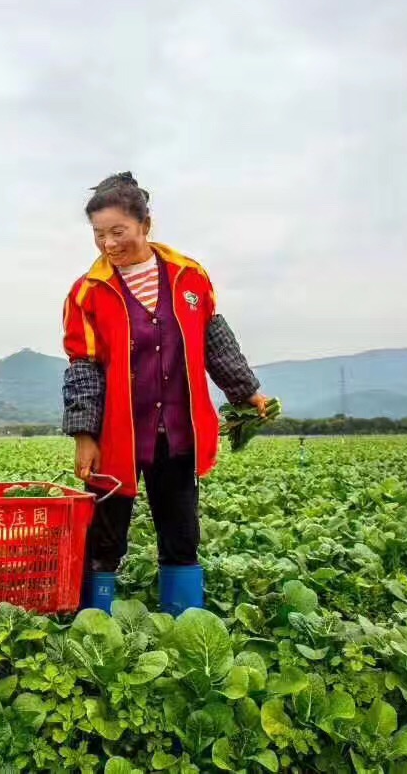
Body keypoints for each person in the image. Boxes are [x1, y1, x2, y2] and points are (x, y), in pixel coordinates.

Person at [61, 172, 269, 616]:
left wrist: (247, 391)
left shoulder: (189, 277)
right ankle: (95, 620)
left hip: (179, 429)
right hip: (118, 432)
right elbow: (83, 368)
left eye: (119, 232)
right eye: (99, 235)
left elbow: (214, 339)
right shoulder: (88, 292)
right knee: (106, 532)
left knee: (181, 530)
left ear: (146, 225)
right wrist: (85, 435)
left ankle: (184, 620)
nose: (109, 244)